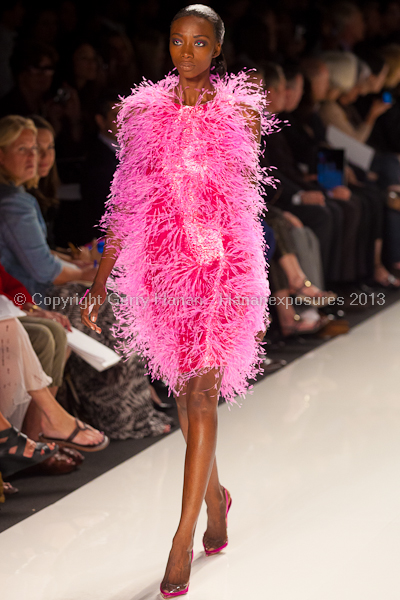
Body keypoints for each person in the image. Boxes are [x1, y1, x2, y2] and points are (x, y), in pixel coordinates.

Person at [81, 5, 272, 597]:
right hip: (167, 271)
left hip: (222, 269)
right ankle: (215, 499)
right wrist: (99, 277)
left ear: (218, 48)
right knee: (185, 396)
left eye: (198, 42)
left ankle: (182, 535)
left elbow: (245, 204)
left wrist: (254, 283)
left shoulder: (240, 114)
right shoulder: (142, 116)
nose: (185, 52)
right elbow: (128, 202)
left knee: (204, 393)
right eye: (176, 41)